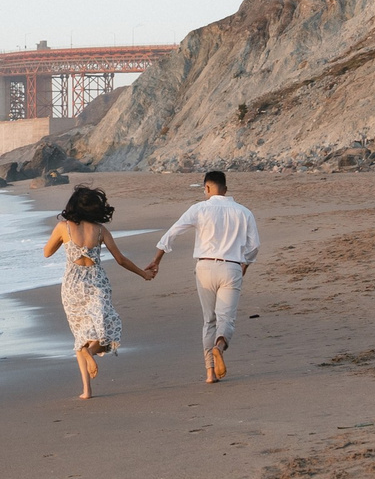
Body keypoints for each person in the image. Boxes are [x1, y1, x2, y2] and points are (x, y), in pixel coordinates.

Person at [42, 185, 158, 399]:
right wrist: (143, 274)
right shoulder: (100, 230)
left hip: (72, 284)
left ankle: (87, 389)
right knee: (106, 329)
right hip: (97, 282)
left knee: (80, 335)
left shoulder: (63, 227)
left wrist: (64, 241)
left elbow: (47, 253)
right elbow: (121, 259)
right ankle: (90, 354)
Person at [153, 169, 260, 383]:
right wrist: (245, 264)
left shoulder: (199, 208)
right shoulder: (243, 212)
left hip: (204, 267)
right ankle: (219, 347)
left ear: (207, 188)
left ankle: (210, 373)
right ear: (226, 189)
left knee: (209, 320)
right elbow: (254, 245)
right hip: (231, 267)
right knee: (226, 319)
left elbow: (173, 232)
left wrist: (156, 260)